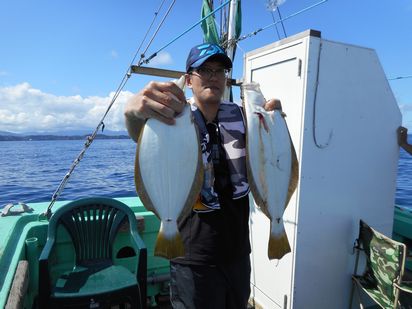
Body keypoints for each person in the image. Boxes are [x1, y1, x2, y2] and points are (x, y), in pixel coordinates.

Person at [124, 43, 281, 309]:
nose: (213, 76)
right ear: (188, 80)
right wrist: (131, 112)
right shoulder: (170, 118)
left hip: (238, 254)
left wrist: (275, 124)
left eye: (220, 71)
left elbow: (271, 154)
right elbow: (140, 133)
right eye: (204, 70)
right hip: (191, 257)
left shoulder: (244, 119)